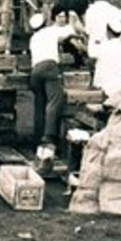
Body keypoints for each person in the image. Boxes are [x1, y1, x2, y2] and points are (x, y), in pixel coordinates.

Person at [28, 10, 82, 154]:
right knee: (55, 100)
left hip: (35, 71)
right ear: (45, 24)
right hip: (50, 68)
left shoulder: (33, 38)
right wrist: (75, 34)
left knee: (40, 104)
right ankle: (49, 138)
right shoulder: (49, 32)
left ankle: (37, 138)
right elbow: (65, 37)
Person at [89, 20, 121, 97]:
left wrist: (91, 39)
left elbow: (91, 54)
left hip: (106, 84)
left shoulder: (104, 47)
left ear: (108, 32)